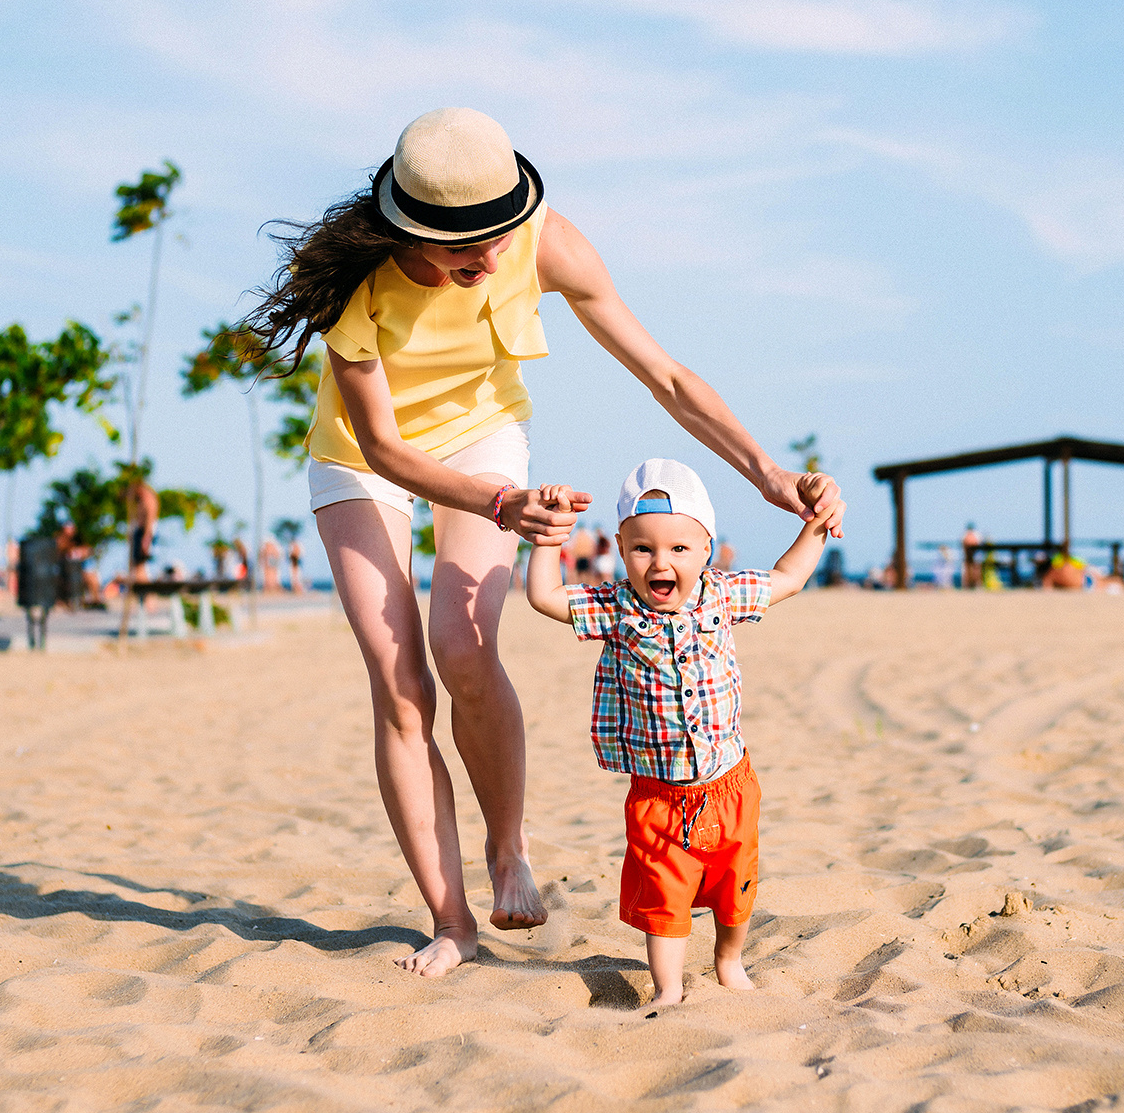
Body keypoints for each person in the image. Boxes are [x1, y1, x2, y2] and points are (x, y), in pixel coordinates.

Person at [239, 107, 842, 978]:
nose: (487, 257)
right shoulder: (355, 285)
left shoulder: (545, 242)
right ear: (407, 226)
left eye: (497, 232)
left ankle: (506, 846)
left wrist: (766, 474)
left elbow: (666, 375)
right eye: (462, 246)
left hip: (483, 439)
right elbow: (384, 448)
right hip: (368, 462)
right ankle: (451, 921)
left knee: (465, 647)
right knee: (401, 681)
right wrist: (503, 503)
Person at [524, 459, 833, 1005]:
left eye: (679, 550)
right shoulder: (614, 609)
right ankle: (668, 988)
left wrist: (815, 525)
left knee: (735, 886)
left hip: (729, 785)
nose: (660, 562)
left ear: (706, 550)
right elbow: (545, 597)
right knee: (665, 897)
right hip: (659, 796)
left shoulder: (721, 595)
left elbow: (788, 577)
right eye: (643, 549)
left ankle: (728, 960)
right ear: (621, 549)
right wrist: (549, 535)